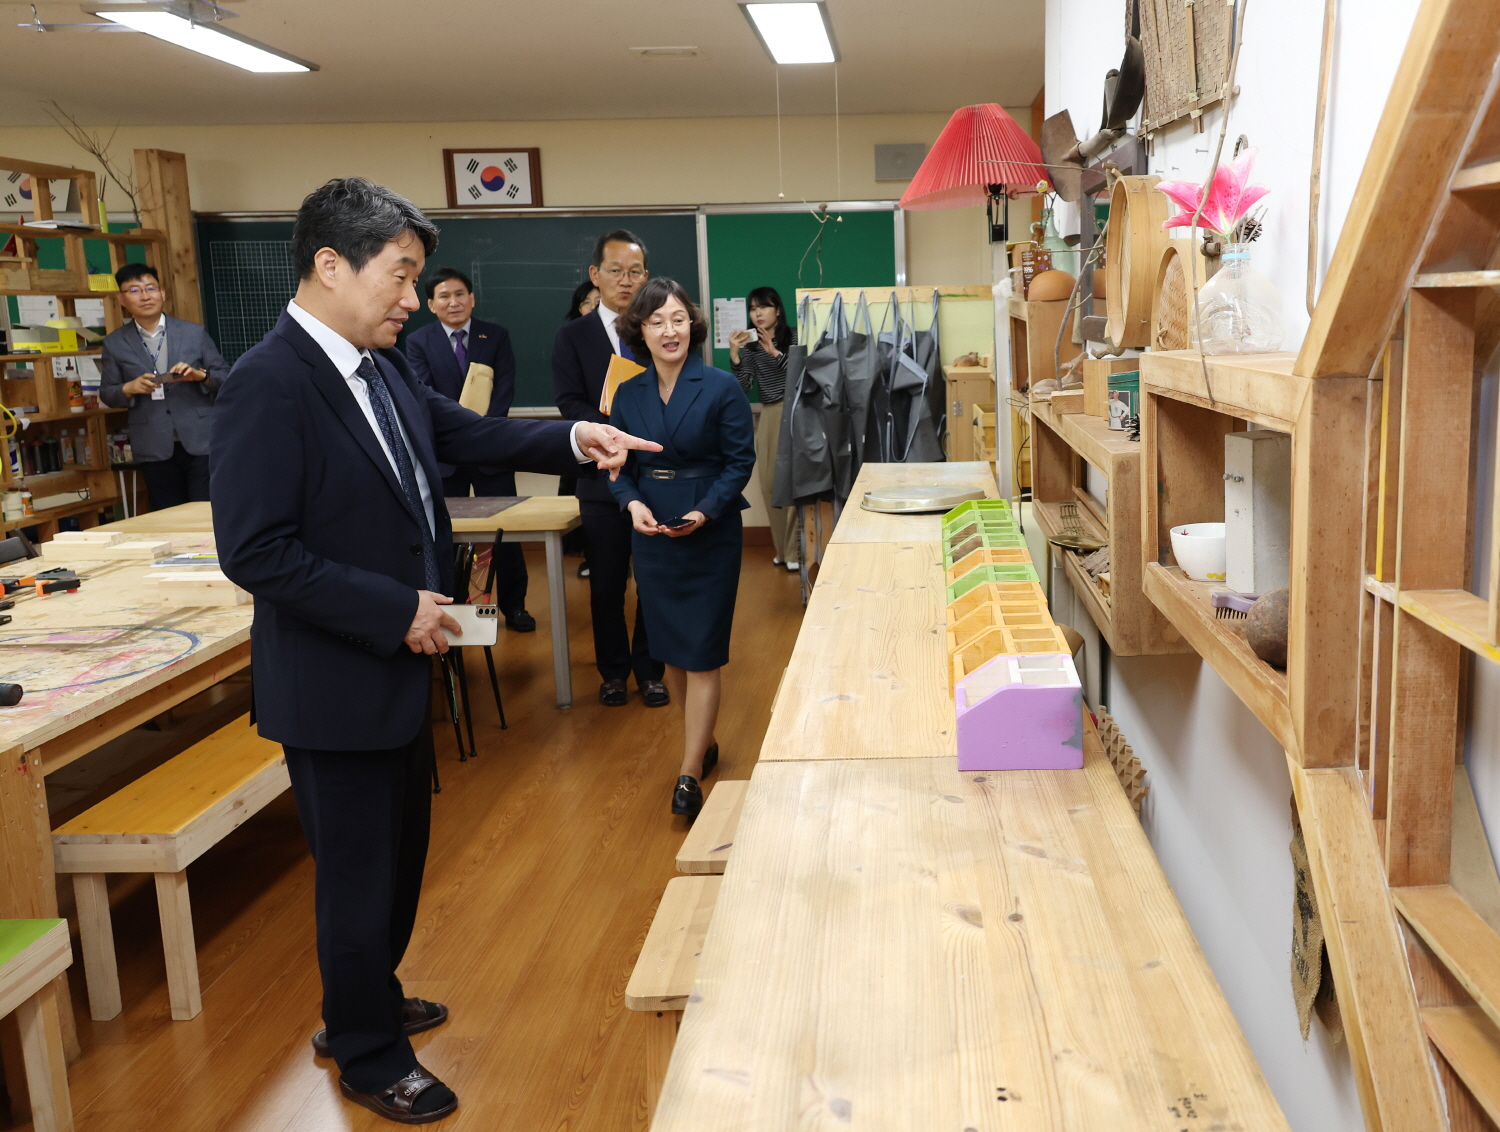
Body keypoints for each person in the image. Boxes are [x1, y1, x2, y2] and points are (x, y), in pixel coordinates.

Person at [211, 177, 659, 1125]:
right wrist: (392, 609)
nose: (416, 299)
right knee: (360, 874)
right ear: (330, 267)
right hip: (337, 676)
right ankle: (368, 1050)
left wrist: (572, 433)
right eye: (401, 276)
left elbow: (461, 432)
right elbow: (254, 552)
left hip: (400, 663)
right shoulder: (270, 380)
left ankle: (362, 994)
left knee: (400, 857)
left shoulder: (380, 368)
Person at [606, 278, 755, 820]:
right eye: (655, 322)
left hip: (708, 528)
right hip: (652, 527)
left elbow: (740, 462)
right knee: (670, 648)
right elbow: (618, 466)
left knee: (703, 651)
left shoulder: (720, 387)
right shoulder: (629, 393)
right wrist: (629, 504)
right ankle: (701, 742)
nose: (669, 331)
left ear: (692, 325)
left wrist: (705, 510)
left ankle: (688, 771)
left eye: (677, 320)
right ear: (639, 332)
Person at [552, 231, 669, 709]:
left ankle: (651, 669)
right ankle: (613, 672)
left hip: (654, 477)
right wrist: (611, 432)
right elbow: (568, 404)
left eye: (635, 272)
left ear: (647, 276)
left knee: (654, 579)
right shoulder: (573, 336)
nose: (626, 281)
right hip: (601, 479)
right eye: (615, 271)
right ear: (595, 276)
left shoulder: (659, 328)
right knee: (605, 582)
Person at [404, 267, 533, 632]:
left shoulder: (495, 336)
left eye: (460, 294)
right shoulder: (418, 342)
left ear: (472, 299)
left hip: (493, 452)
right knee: (448, 538)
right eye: (444, 296)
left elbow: (504, 391)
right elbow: (424, 396)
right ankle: (454, 609)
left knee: (507, 534)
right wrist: (462, 435)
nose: (454, 302)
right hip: (446, 460)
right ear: (430, 304)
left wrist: (482, 437)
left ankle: (516, 607)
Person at [99, 262, 229, 509]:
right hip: (153, 442)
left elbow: (226, 377)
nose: (146, 296)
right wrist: (129, 388)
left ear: (163, 293)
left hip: (200, 440)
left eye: (151, 288)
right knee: (167, 513)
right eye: (135, 290)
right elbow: (108, 393)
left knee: (207, 512)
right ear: (121, 298)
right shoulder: (115, 343)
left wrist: (199, 375)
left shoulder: (193, 333)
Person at [728, 286, 798, 572]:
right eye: (753, 308)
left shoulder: (793, 336)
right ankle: (782, 550)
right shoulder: (752, 343)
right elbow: (744, 386)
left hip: (795, 411)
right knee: (769, 484)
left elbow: (802, 374)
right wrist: (735, 354)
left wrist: (776, 351)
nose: (757, 313)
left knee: (792, 484)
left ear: (777, 310)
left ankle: (796, 552)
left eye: (763, 307)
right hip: (769, 413)